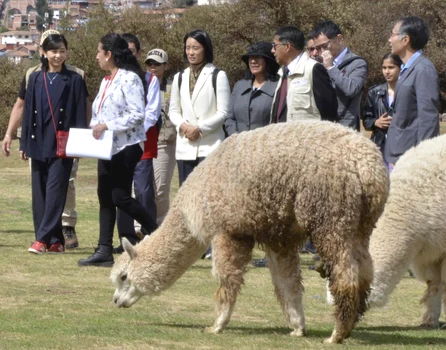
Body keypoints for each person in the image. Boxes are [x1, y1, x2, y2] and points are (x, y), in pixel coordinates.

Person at [2, 29, 87, 249]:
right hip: (37, 140)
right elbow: (27, 110)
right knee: (39, 192)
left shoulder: (75, 78)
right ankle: (55, 241)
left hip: (63, 143)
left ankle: (41, 239)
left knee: (56, 190)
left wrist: (80, 144)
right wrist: (20, 140)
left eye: (62, 51)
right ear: (43, 52)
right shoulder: (34, 77)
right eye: (53, 51)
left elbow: (80, 113)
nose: (58, 56)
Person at [78, 33, 158, 267]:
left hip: (126, 147)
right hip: (105, 147)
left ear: (109, 54)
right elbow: (98, 114)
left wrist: (107, 126)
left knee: (119, 196)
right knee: (105, 196)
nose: (96, 57)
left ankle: (156, 232)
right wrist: (94, 126)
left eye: (98, 52)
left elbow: (137, 114)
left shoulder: (130, 79)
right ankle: (104, 250)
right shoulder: (106, 80)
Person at [113, 34, 161, 253]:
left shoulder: (150, 80)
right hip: (119, 145)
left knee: (142, 190)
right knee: (121, 192)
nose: (127, 55)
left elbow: (150, 113)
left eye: (131, 51)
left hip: (141, 143)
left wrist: (132, 129)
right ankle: (126, 239)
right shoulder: (114, 79)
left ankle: (151, 235)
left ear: (138, 54)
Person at [169, 29, 230, 186]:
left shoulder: (218, 75)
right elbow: (174, 110)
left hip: (210, 146)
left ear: (205, 49)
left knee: (210, 196)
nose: (190, 52)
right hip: (185, 146)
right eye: (188, 47)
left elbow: (223, 112)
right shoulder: (179, 77)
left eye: (195, 48)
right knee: (187, 198)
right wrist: (184, 126)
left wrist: (199, 129)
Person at [384, 16, 440, 167]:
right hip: (399, 152)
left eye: (393, 34)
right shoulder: (406, 68)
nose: (389, 40)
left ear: (405, 39)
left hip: (411, 156)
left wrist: (422, 157)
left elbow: (428, 117)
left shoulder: (423, 69)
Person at [270, 26, 338, 124]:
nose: (272, 50)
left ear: (287, 47)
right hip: (281, 137)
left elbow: (329, 111)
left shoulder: (313, 69)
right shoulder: (282, 73)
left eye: (275, 46)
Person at [311, 20, 368, 131]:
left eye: (325, 46)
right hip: (322, 126)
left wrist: (330, 68)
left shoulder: (357, 63)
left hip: (346, 128)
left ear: (340, 39)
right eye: (318, 48)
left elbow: (351, 89)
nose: (322, 52)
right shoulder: (317, 64)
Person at [146, 48, 177, 225]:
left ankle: (159, 226)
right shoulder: (141, 84)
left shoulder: (174, 87)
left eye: (157, 64)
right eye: (150, 63)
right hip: (143, 141)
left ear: (165, 66)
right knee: (141, 187)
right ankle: (139, 227)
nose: (152, 67)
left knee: (161, 189)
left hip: (165, 141)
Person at [225, 41, 279, 136]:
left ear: (268, 61)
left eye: (258, 57)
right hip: (238, 145)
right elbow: (229, 118)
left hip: (266, 145)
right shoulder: (239, 86)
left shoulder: (278, 87)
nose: (253, 61)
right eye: (251, 58)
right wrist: (235, 136)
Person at [362, 53, 402, 163]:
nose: (387, 72)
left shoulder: (408, 92)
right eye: (384, 68)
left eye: (391, 67)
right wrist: (376, 122)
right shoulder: (374, 92)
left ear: (400, 68)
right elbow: (366, 120)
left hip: (401, 145)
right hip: (380, 146)